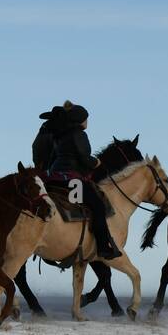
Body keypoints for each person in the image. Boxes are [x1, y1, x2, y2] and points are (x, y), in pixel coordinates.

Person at [47, 104, 121, 259]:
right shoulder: (79, 134)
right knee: (97, 205)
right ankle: (103, 247)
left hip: (54, 179)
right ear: (80, 120)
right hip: (72, 180)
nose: (87, 121)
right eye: (86, 118)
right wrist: (97, 163)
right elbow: (85, 159)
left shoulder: (59, 135)